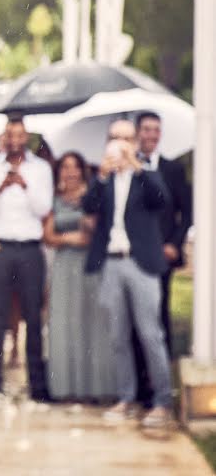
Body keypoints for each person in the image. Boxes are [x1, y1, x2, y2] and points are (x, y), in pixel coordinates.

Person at [83, 120, 173, 428]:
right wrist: (100, 177)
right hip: (111, 262)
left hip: (142, 263)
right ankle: (126, 397)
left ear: (135, 142)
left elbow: (162, 201)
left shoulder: (146, 172)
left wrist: (137, 167)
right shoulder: (103, 176)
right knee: (118, 336)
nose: (120, 143)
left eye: (126, 138)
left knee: (150, 334)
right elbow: (88, 206)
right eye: (115, 137)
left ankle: (162, 401)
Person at [0, 117, 53, 403]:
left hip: (31, 248)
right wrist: (2, 186)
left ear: (27, 138)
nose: (15, 140)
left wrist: (24, 184)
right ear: (4, 137)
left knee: (34, 316)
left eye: (20, 135)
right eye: (10, 135)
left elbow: (43, 207)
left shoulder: (41, 169)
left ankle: (38, 385)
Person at [43, 152, 115, 401]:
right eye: (65, 167)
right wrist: (68, 238)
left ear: (82, 170)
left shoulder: (93, 195)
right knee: (65, 322)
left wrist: (88, 222)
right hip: (64, 265)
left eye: (75, 167)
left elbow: (100, 228)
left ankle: (95, 388)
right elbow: (48, 236)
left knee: (93, 322)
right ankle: (65, 387)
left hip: (90, 263)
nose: (70, 172)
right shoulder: (55, 198)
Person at [134, 111, 192, 407]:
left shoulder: (172, 169)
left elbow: (186, 210)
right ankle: (138, 385)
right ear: (137, 132)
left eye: (156, 129)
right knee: (134, 322)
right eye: (146, 129)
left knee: (159, 319)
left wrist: (174, 243)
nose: (152, 135)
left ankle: (161, 385)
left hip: (162, 254)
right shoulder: (127, 166)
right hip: (133, 255)